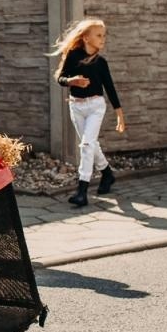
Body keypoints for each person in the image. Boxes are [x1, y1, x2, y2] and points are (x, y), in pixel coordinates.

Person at [52, 18, 126, 207]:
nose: (103, 39)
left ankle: (82, 191)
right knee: (90, 144)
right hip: (76, 106)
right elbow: (60, 78)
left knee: (86, 145)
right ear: (85, 38)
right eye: (99, 35)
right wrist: (72, 81)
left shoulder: (101, 62)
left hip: (95, 106)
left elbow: (109, 87)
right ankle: (107, 173)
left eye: (104, 35)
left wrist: (119, 114)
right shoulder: (73, 56)